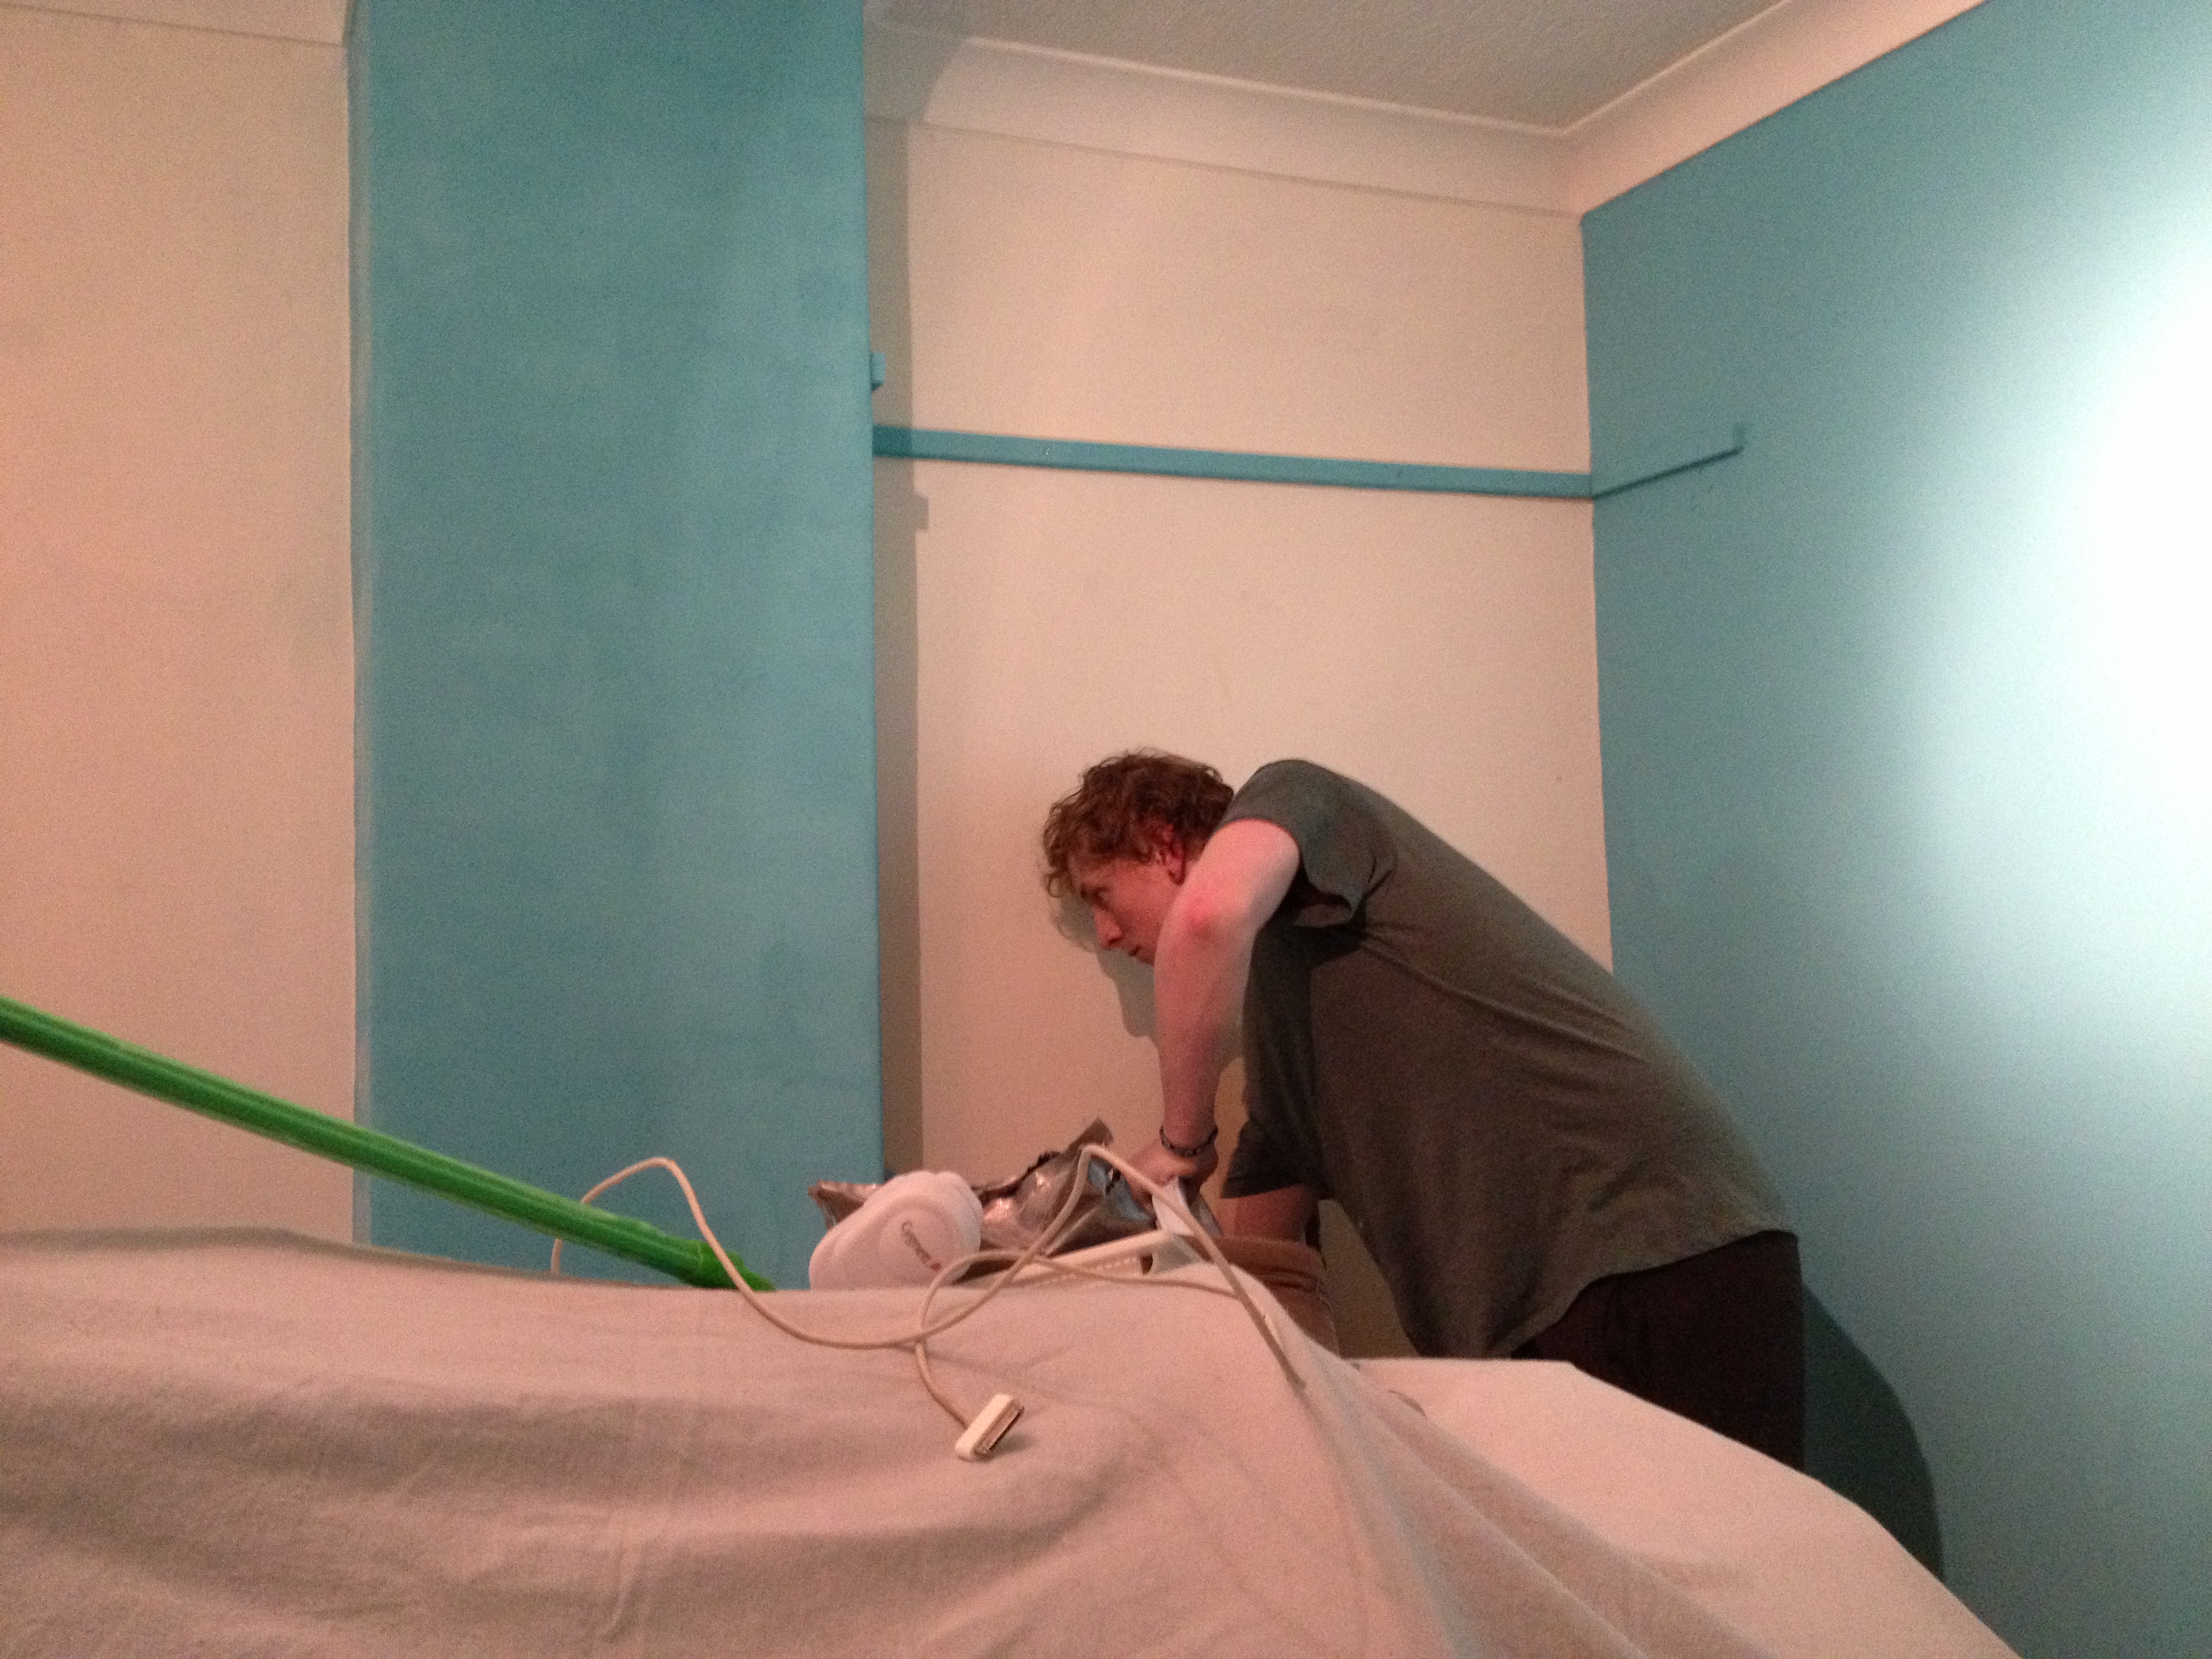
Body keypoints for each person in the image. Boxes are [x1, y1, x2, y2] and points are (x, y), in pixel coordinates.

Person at [1041, 750, 1805, 1467]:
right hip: (1532, 1329)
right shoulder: (1283, 1047)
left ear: (1165, 845)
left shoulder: (1297, 796)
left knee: (1735, 1562)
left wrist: (1181, 1140)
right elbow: (1267, 1281)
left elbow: (1208, 918)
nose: (1106, 936)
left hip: (1661, 1244)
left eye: (1102, 895)